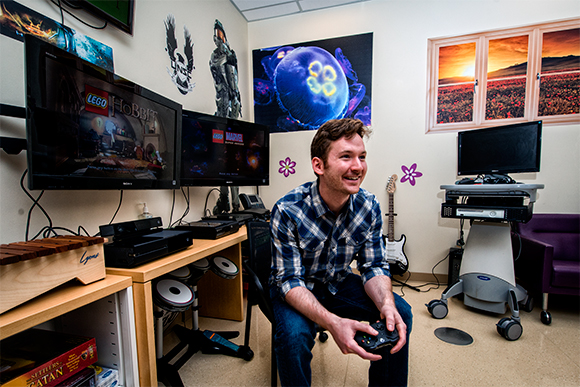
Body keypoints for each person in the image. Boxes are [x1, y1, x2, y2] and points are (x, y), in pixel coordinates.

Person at [269, 118, 413, 387]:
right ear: (318, 165)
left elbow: (374, 266)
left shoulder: (368, 206)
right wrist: (334, 323)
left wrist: (386, 304)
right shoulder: (287, 210)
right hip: (296, 287)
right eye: (346, 157)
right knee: (293, 337)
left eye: (362, 157)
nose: (358, 167)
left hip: (336, 281)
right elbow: (289, 281)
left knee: (399, 314)